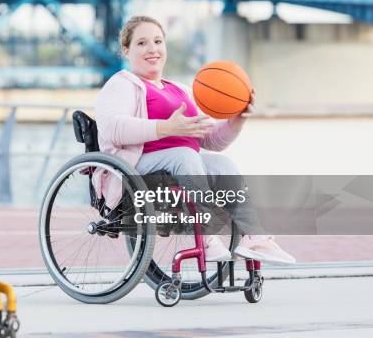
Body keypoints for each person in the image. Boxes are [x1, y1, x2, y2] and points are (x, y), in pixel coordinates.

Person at [94, 15, 295, 265]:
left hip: (180, 165)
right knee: (185, 155)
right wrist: (166, 128)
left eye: (158, 41)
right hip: (135, 166)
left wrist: (237, 120)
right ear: (126, 50)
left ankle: (255, 237)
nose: (152, 49)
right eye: (142, 43)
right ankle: (206, 235)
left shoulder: (180, 90)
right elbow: (112, 128)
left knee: (222, 164)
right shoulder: (122, 84)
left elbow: (210, 139)